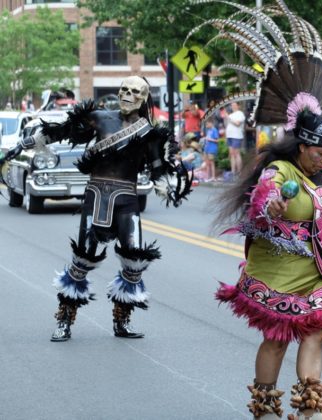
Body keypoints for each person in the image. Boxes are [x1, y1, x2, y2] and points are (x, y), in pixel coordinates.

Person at [188, 2, 322, 419]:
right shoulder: (279, 170)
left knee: (316, 332)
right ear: (302, 146)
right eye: (320, 151)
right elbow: (264, 201)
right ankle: (264, 408)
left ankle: (311, 409)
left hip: (315, 268)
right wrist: (274, 205)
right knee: (278, 338)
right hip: (276, 270)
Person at [2, 75, 191, 342]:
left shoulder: (149, 132)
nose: (127, 95)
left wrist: (172, 181)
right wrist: (21, 145)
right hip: (96, 194)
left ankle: (121, 320)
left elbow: (160, 169)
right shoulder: (100, 117)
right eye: (124, 89)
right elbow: (61, 130)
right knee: (82, 259)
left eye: (134, 92)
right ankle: (65, 320)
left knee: (134, 261)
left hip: (127, 198)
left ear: (143, 97)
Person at [223, 102, 245, 178]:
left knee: (236, 154)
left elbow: (237, 123)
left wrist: (228, 117)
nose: (233, 106)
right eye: (232, 105)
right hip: (230, 136)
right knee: (231, 154)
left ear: (238, 106)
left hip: (237, 136)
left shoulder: (240, 114)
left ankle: (239, 172)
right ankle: (233, 171)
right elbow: (227, 125)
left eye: (234, 105)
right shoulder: (231, 115)